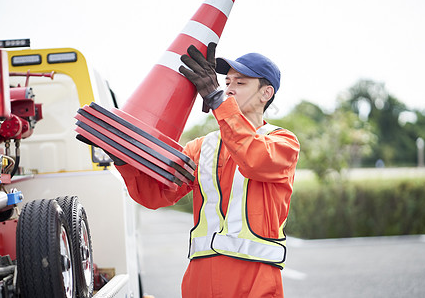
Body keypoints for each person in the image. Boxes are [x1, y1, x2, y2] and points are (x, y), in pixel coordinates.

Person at [115, 43, 300, 297]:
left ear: (266, 93)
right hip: (199, 282)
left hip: (255, 283)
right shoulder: (201, 147)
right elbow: (155, 195)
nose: (229, 89)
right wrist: (121, 156)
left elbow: (253, 158)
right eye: (227, 82)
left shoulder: (283, 142)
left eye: (241, 83)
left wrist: (218, 101)